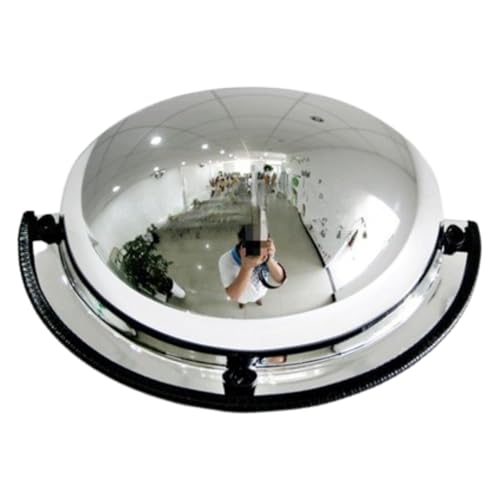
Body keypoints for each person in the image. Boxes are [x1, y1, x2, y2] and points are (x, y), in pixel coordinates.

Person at [218, 226, 285, 309]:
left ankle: (258, 299)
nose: (258, 253)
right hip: (243, 296)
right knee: (242, 301)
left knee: (259, 296)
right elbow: (234, 295)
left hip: (261, 290)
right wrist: (246, 267)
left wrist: (269, 258)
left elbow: (280, 279)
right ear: (240, 242)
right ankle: (242, 303)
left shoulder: (265, 252)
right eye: (253, 247)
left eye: (262, 245)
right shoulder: (226, 260)